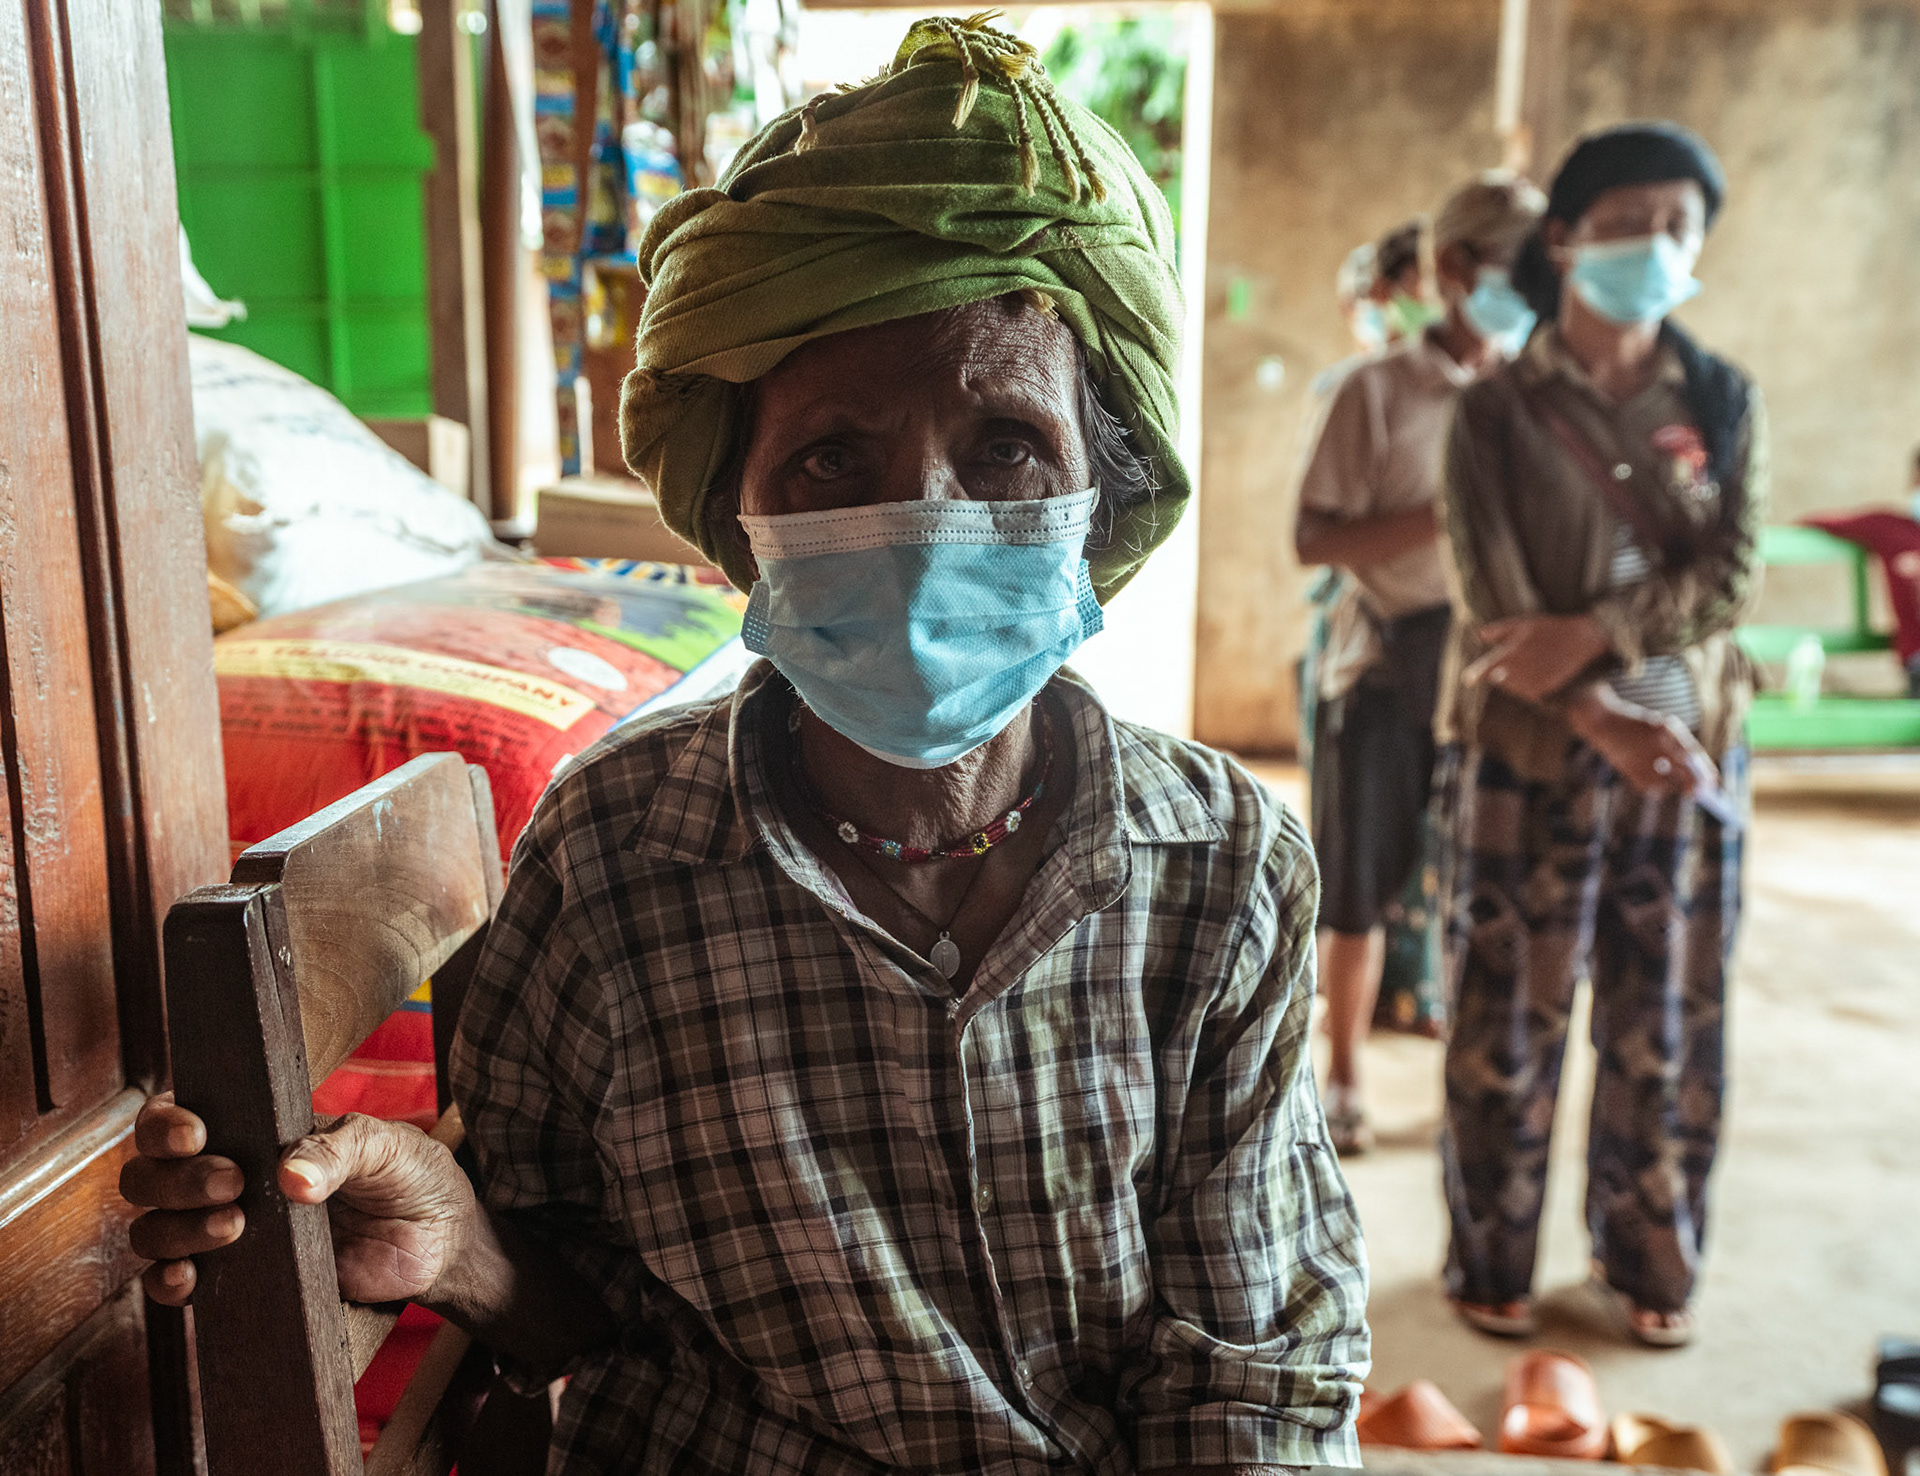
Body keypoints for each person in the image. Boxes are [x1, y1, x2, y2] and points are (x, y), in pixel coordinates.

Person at [118, 17, 1370, 1474]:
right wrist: (462, 1244)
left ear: (1104, 495)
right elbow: (578, 1312)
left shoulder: (1224, 869)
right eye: (832, 459)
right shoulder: (609, 855)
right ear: (744, 519)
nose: (924, 521)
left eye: (1008, 447)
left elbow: (1257, 1385)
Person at [1433, 122, 1766, 1348]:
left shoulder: (1723, 400)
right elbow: (1495, 607)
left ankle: (1650, 1266)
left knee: (1669, 1023)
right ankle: (1493, 1258)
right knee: (1507, 1016)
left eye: (1682, 225)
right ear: (1565, 237)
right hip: (1529, 757)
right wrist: (1590, 708)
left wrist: (1604, 640)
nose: (1660, 245)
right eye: (1633, 220)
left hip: (1688, 761)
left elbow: (1731, 574)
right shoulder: (1494, 417)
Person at [1294, 172, 1547, 1153]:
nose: (1533, 293)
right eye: (1516, 269)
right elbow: (1314, 538)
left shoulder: (1533, 390)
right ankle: (1344, 1073)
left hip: (1494, 668)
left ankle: (1472, 1079)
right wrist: (1447, 512)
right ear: (1453, 269)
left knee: (1485, 883)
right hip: (1390, 665)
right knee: (1359, 883)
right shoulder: (1376, 390)